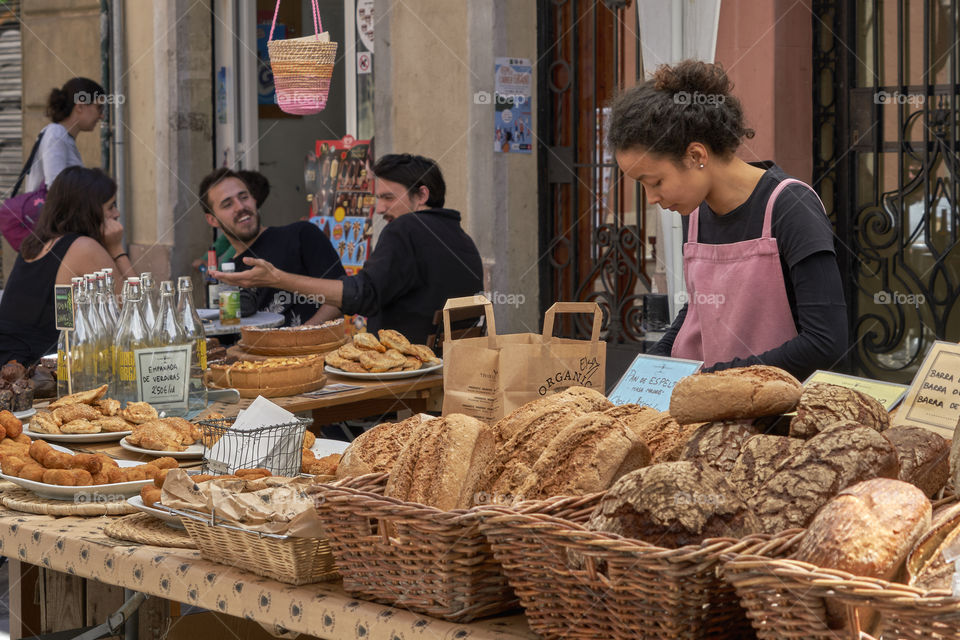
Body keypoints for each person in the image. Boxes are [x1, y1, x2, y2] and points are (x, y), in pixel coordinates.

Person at [609, 60, 847, 380]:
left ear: (696, 156)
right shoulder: (695, 213)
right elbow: (699, 310)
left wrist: (712, 379)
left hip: (780, 405)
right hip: (710, 401)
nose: (651, 198)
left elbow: (825, 343)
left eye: (655, 182)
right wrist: (655, 365)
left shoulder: (791, 207)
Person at [210, 154, 484, 344]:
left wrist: (277, 279)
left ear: (422, 194)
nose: (380, 209)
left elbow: (361, 295)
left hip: (402, 375)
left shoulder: (406, 228)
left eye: (388, 198)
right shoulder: (462, 238)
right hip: (447, 370)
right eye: (377, 198)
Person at [0, 166, 135, 366]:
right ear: (89, 211)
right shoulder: (83, 247)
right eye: (110, 206)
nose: (117, 213)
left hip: (11, 363)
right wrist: (116, 248)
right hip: (37, 371)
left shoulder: (35, 243)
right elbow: (135, 312)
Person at [198, 167, 344, 326]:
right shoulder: (229, 275)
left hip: (317, 342)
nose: (240, 207)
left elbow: (342, 298)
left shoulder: (301, 235)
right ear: (212, 220)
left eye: (244, 197)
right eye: (227, 204)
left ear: (254, 200)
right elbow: (230, 330)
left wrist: (299, 335)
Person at [23, 77, 105, 193]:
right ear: (80, 106)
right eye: (99, 108)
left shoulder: (63, 136)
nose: (101, 116)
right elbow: (55, 188)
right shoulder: (56, 134)